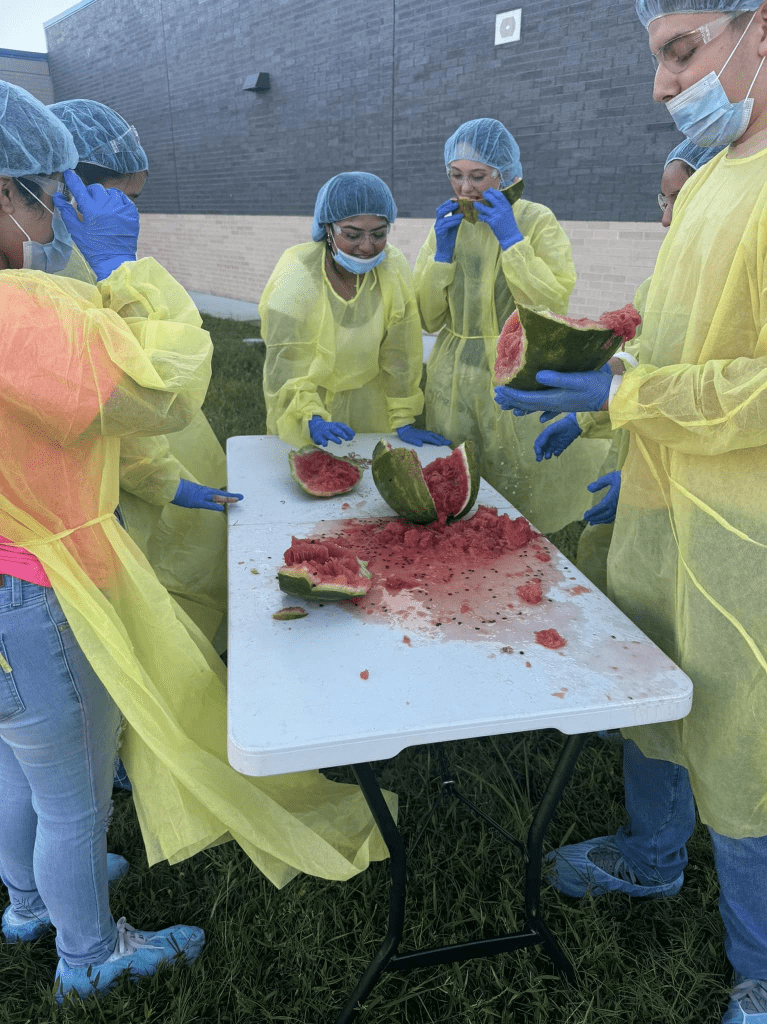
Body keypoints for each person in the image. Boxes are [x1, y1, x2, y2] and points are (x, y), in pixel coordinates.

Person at [0, 83, 394, 1004]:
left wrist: (162, 481)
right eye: (46, 197)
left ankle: (24, 903)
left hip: (10, 578)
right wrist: (126, 276)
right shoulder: (23, 313)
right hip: (42, 590)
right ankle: (89, 957)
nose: (56, 216)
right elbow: (160, 393)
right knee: (74, 799)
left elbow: (71, 429)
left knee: (18, 766)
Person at [495, 3, 767, 1020]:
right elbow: (683, 345)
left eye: (682, 53)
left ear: (763, 27)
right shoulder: (710, 183)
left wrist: (628, 399)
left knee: (748, 739)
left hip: (752, 538)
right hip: (667, 506)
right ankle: (653, 856)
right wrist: (609, 401)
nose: (662, 87)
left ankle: (763, 965)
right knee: (657, 692)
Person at [49, 98, 235, 650]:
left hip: (165, 449)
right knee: (156, 600)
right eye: (120, 198)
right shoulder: (49, 281)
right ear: (64, 190)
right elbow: (147, 386)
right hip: (114, 488)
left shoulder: (88, 259)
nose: (129, 215)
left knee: (198, 573)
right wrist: (159, 480)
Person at [535, 139, 723, 595]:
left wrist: (662, 483)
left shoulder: (737, 289)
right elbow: (642, 361)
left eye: (681, 199)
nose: (665, 219)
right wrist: (584, 412)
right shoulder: (656, 285)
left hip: (711, 494)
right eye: (664, 200)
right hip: (644, 464)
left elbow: (727, 402)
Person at [413, 117, 610, 534]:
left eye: (478, 176)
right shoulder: (447, 226)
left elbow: (550, 304)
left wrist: (512, 241)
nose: (465, 189)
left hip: (516, 371)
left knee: (518, 483)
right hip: (453, 378)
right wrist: (442, 255)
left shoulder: (537, 220)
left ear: (506, 175)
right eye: (456, 175)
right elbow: (428, 317)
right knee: (457, 486)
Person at [261, 171, 447, 449]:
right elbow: (286, 360)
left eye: (379, 234)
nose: (367, 247)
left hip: (371, 403)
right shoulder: (297, 273)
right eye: (352, 234)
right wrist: (308, 416)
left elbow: (401, 352)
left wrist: (404, 416)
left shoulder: (392, 267)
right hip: (310, 401)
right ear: (328, 228)